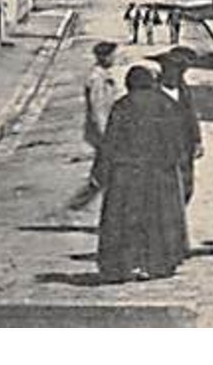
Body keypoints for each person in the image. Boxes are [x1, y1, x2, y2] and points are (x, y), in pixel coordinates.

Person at [92, 65, 189, 282]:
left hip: (127, 173)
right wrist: (177, 164)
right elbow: (177, 141)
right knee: (159, 220)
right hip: (159, 173)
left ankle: (122, 266)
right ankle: (159, 264)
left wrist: (101, 170)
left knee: (124, 220)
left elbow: (110, 142)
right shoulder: (166, 104)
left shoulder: (123, 106)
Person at [67, 42, 118, 210]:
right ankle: (79, 203)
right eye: (112, 55)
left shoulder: (102, 75)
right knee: (106, 171)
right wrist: (105, 134)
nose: (114, 58)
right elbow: (97, 108)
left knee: (103, 170)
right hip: (102, 130)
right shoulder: (97, 78)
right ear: (103, 57)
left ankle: (79, 202)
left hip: (104, 130)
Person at [156, 50, 203, 205]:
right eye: (168, 69)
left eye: (177, 69)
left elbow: (191, 116)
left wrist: (197, 140)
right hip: (162, 145)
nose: (172, 73)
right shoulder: (154, 91)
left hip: (184, 145)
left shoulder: (184, 91)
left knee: (186, 184)